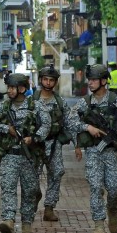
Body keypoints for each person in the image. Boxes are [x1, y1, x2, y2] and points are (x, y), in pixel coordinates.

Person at [70, 64, 117, 233]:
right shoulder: (85, 103)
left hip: (112, 152)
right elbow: (70, 121)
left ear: (103, 81)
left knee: (115, 188)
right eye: (89, 80)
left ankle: (112, 210)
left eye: (93, 80)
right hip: (93, 150)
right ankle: (98, 224)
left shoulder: (116, 100)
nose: (90, 83)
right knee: (95, 186)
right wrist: (87, 127)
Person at [0, 73, 51, 233]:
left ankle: (27, 222)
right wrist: (5, 129)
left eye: (12, 88)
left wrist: (34, 137)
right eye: (8, 87)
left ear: (22, 88)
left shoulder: (35, 106)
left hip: (29, 156)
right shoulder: (3, 106)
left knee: (30, 190)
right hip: (10, 155)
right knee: (8, 187)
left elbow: (46, 124)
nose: (9, 91)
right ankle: (8, 220)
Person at [33, 64, 75, 222]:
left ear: (55, 82)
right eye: (45, 79)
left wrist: (77, 144)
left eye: (51, 80)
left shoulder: (60, 102)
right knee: (31, 175)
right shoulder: (32, 100)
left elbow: (70, 122)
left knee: (56, 173)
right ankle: (34, 195)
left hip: (54, 142)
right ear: (40, 80)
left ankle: (49, 207)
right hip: (35, 145)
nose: (48, 83)